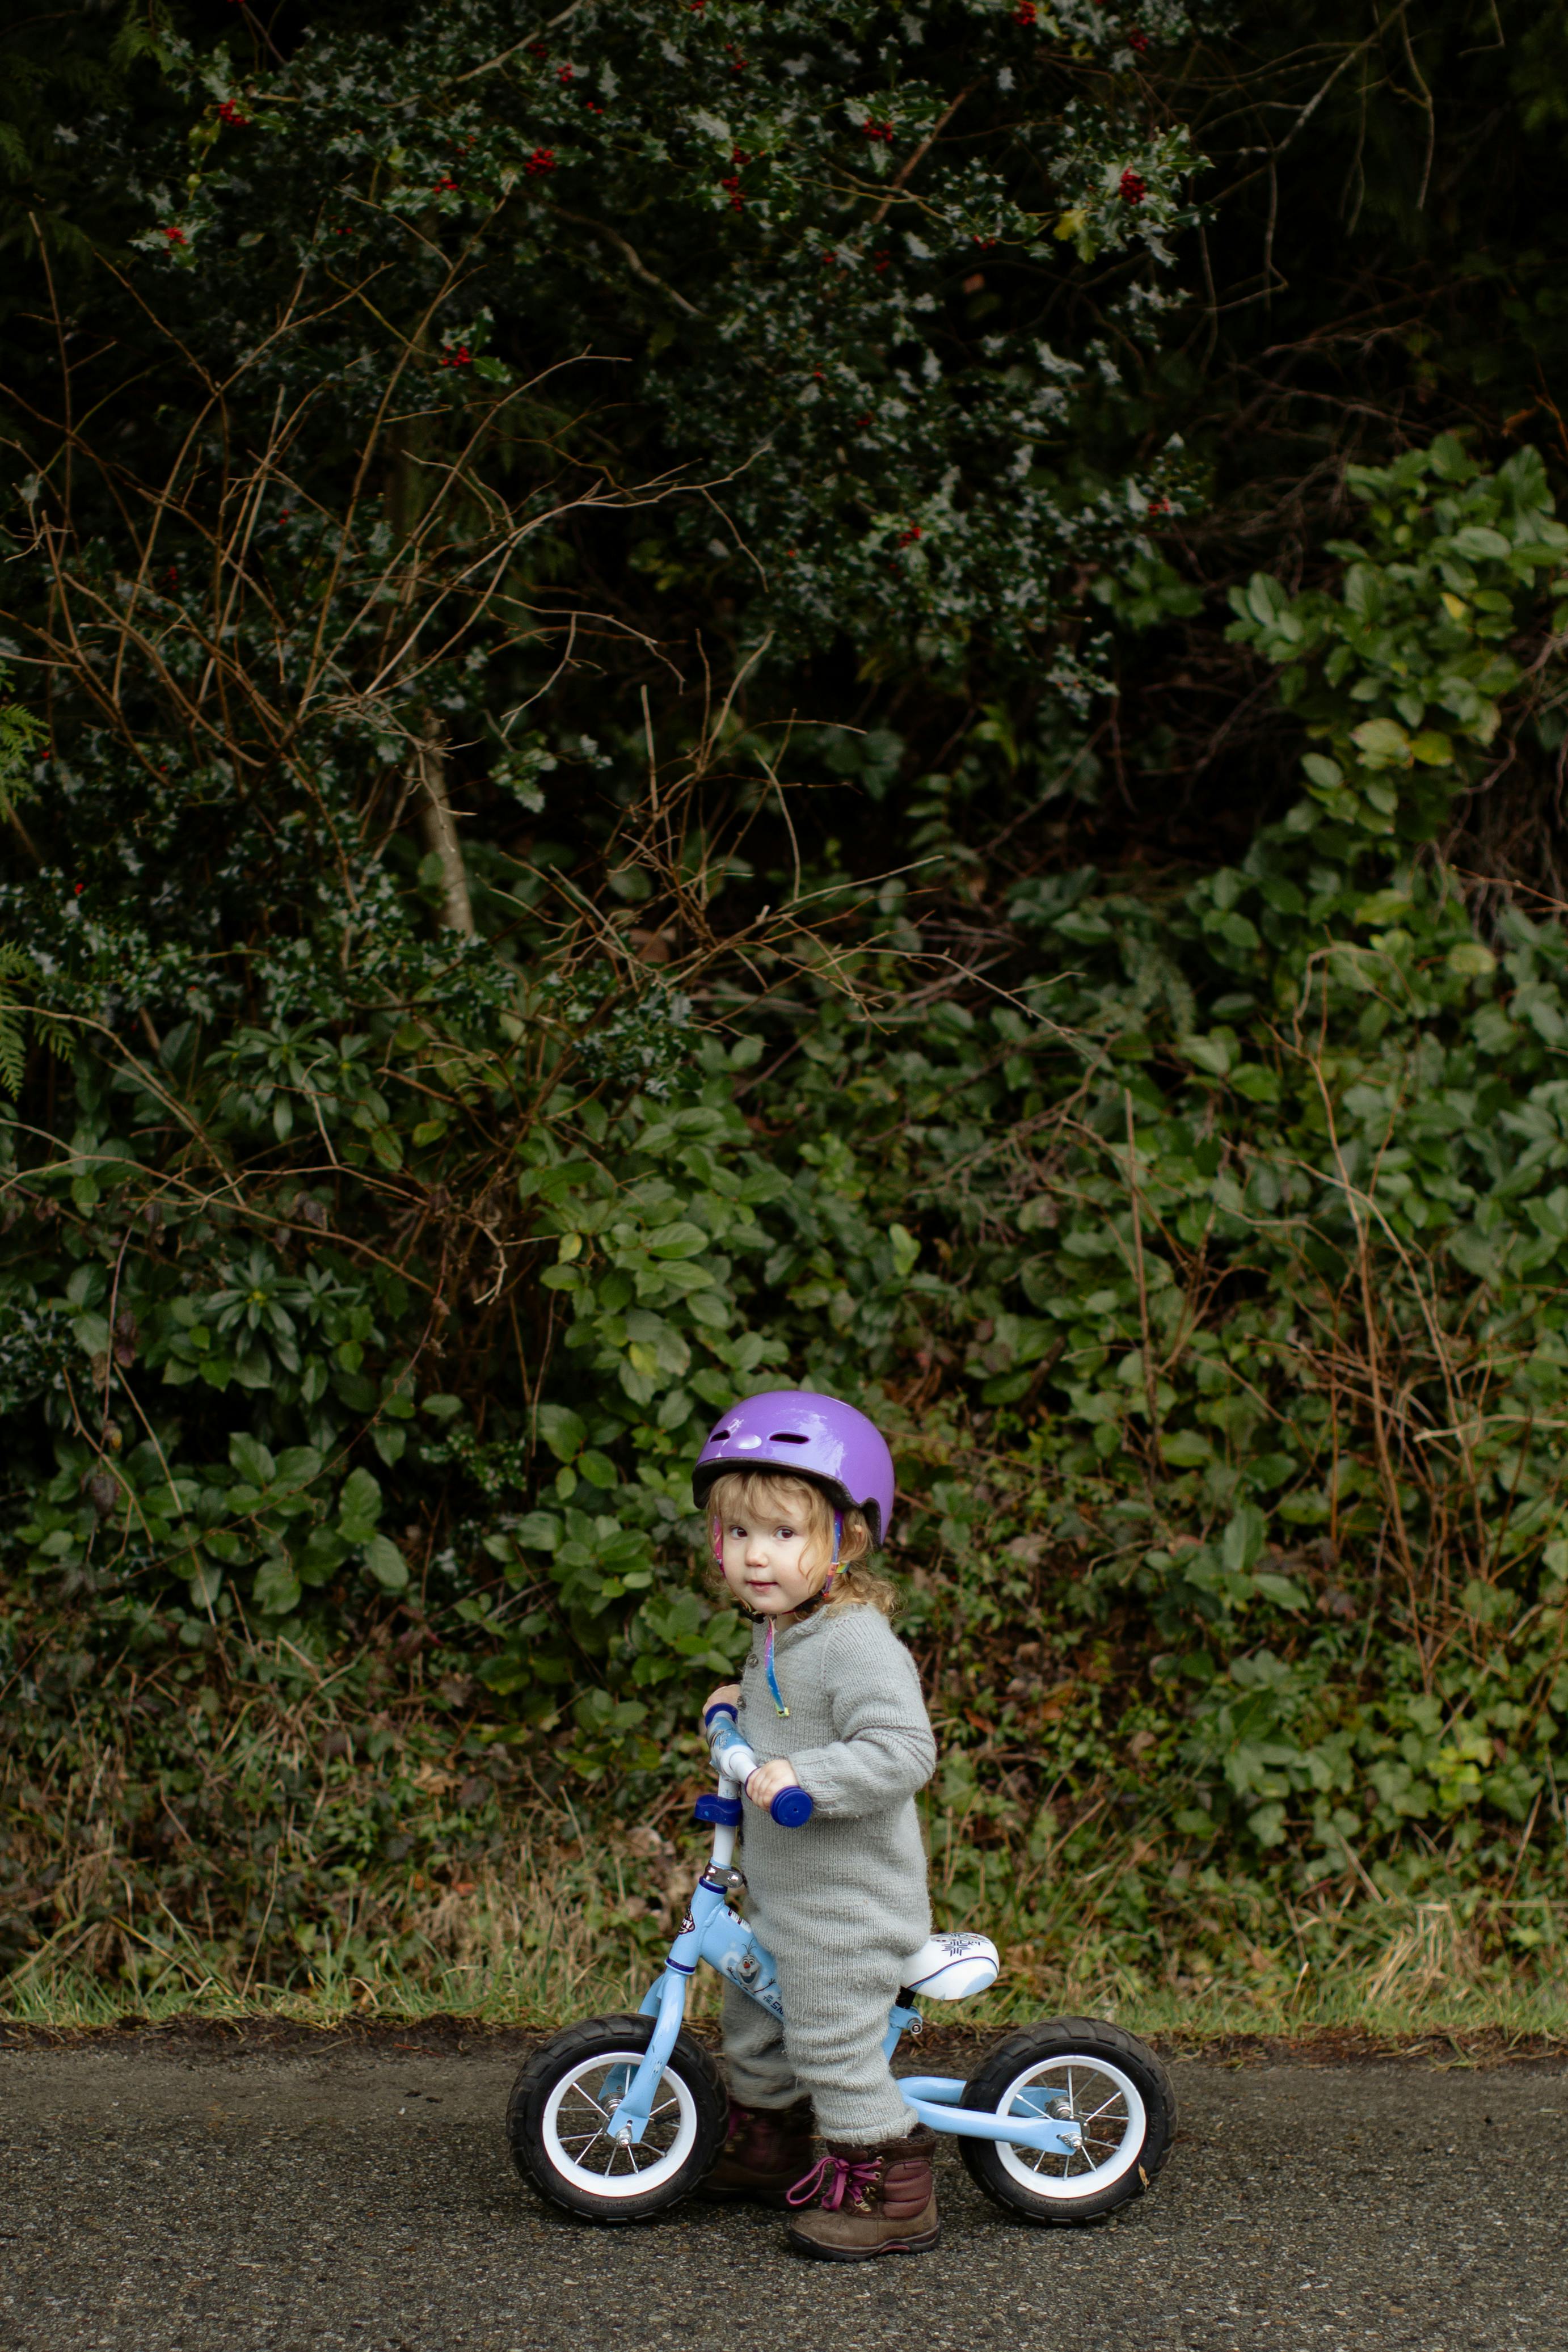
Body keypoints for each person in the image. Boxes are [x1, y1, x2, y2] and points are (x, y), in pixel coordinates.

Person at [693, 1389, 941, 2261]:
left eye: (784, 1533)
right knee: (754, 2021)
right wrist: (737, 1710)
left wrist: (806, 1773)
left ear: (848, 1538)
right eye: (738, 1533)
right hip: (785, 1897)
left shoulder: (856, 1640)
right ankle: (770, 2144)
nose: (756, 1556)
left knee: (831, 2036)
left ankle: (890, 2184)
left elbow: (905, 1749)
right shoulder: (777, 1632)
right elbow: (778, 1718)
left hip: (849, 1908)